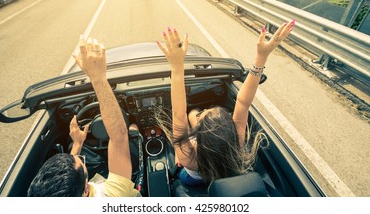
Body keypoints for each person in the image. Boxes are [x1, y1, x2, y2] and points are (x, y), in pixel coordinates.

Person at [156, 20, 295, 186]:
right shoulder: (226, 147)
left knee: (190, 116)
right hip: (220, 175)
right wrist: (261, 57)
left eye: (203, 116)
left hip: (192, 180)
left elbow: (180, 113)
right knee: (191, 116)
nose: (210, 107)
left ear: (198, 137)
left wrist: (177, 67)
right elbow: (243, 103)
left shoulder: (189, 157)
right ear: (230, 130)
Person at [27, 36, 142, 197]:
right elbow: (119, 137)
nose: (74, 156)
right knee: (132, 132)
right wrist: (98, 77)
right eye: (78, 161)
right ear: (85, 190)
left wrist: (77, 144)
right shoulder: (113, 196)